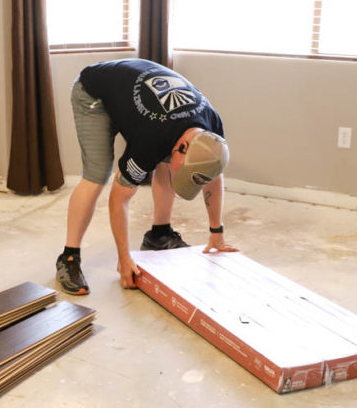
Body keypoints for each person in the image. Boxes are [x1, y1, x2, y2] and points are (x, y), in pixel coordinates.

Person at [55, 58, 237, 296]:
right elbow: (118, 199)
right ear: (182, 147)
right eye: (183, 170)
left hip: (137, 94)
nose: (180, 175)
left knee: (166, 161)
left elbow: (212, 175)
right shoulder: (150, 139)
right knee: (97, 174)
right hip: (95, 92)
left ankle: (159, 235)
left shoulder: (211, 130)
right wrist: (124, 258)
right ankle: (68, 257)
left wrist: (217, 234)